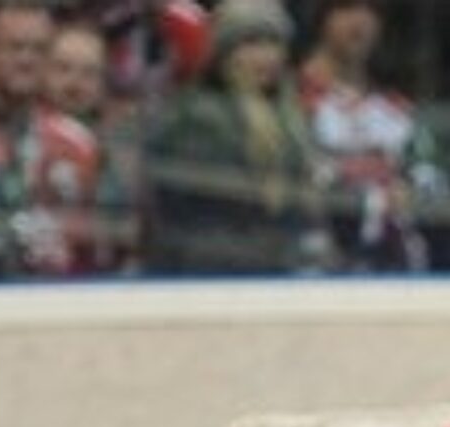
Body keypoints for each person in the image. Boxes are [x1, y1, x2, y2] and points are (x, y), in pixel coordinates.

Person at [138, 0, 333, 276]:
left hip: (278, 271)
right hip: (209, 272)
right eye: (251, 43)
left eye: (273, 43)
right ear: (224, 52)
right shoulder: (194, 118)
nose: (265, 56)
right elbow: (192, 213)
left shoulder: (291, 119)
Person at [0, 0, 107, 279]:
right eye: (15, 48)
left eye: (39, 49)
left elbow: (104, 241)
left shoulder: (78, 145)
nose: (27, 60)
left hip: (53, 298)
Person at [296, 0, 446, 273]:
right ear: (321, 18)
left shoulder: (396, 110)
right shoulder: (292, 103)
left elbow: (435, 181)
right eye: (346, 7)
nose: (360, 21)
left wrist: (411, 193)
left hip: (398, 275)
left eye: (371, 10)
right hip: (312, 275)